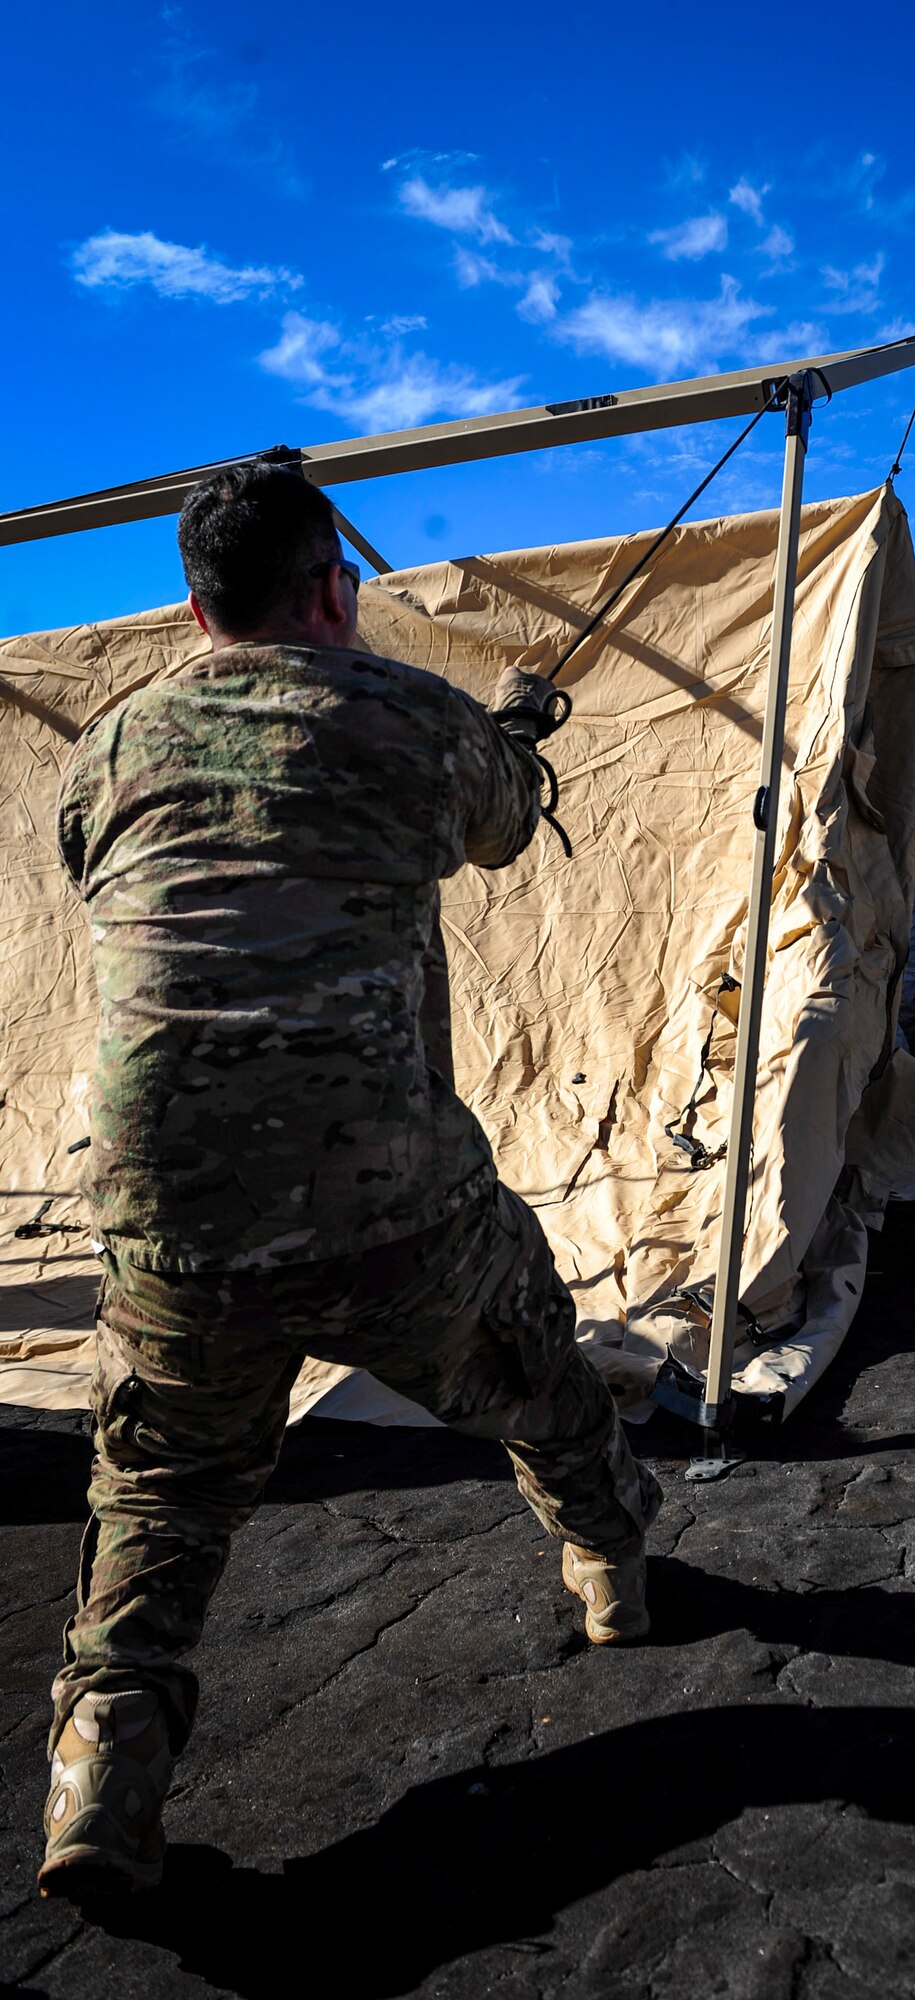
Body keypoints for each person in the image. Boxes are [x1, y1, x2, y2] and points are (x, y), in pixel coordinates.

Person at [38, 466, 662, 1902]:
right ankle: (608, 1563)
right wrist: (510, 723)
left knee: (157, 1495)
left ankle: (100, 1772)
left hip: (162, 1211)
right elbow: (500, 819)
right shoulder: (406, 715)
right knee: (531, 1354)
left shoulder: (110, 743)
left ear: (195, 608)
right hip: (386, 1203)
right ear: (334, 589)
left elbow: (124, 872)